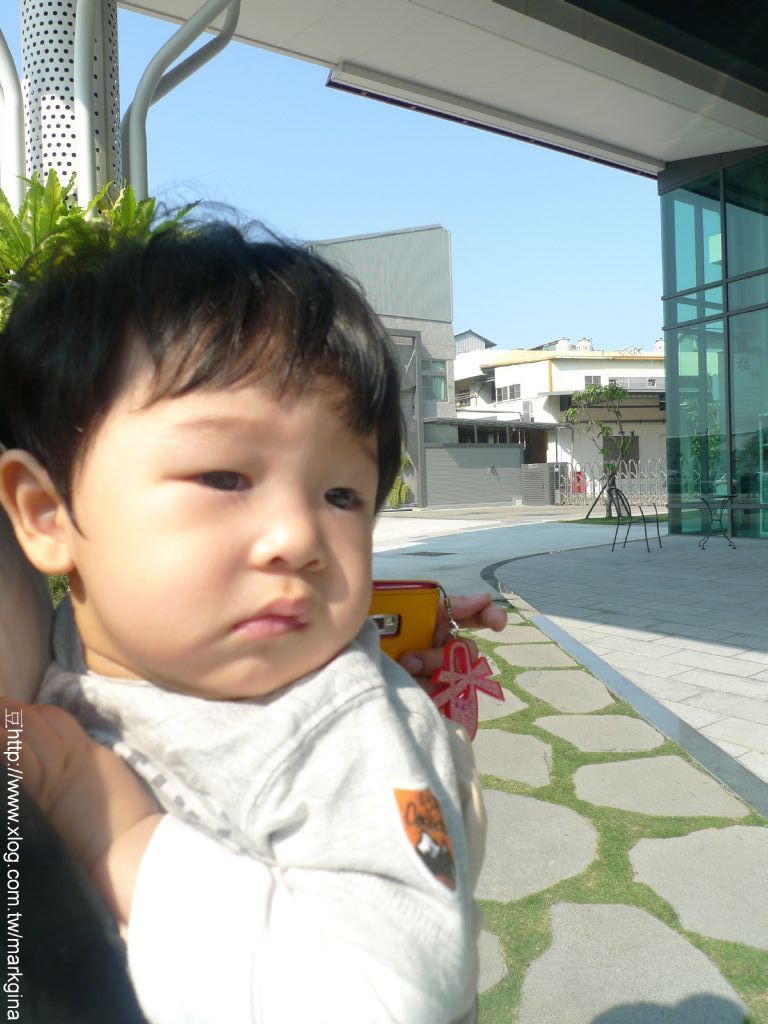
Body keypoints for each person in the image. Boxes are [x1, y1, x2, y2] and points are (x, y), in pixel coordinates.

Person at [0, 223, 503, 1024]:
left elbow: (395, 995)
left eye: (342, 495)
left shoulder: (335, 729)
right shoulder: (90, 633)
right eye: (225, 477)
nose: (300, 538)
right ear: (46, 515)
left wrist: (117, 831)